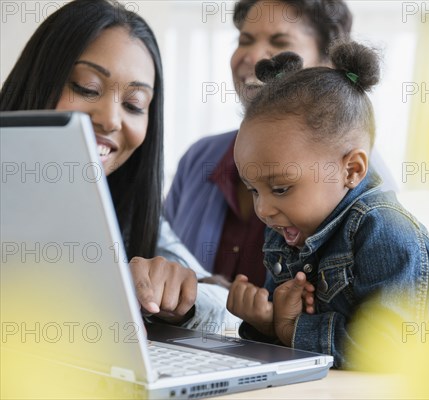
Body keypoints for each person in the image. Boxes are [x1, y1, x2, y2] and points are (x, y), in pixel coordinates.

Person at [226, 41, 429, 368]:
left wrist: (292, 331)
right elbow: (291, 337)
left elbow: (389, 348)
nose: (263, 209)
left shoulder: (385, 230)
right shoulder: (287, 229)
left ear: (352, 169)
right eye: (253, 190)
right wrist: (266, 322)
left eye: (280, 188)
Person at [0, 0, 238, 333]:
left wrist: (175, 298)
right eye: (87, 88)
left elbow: (227, 305)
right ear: (36, 81)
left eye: (133, 104)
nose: (111, 119)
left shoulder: (125, 208)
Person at [165, 0, 396, 288]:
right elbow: (164, 254)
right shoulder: (200, 158)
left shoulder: (368, 192)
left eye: (280, 41)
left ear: (327, 64)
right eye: (245, 40)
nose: (253, 56)